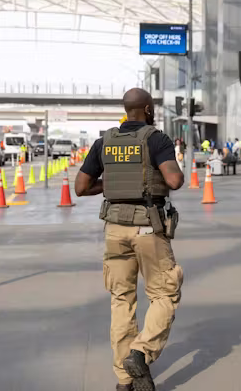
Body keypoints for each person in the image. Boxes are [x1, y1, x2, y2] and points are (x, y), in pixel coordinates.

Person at [75, 88, 185, 391]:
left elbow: (80, 187)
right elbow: (174, 179)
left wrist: (112, 183)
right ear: (148, 109)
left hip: (114, 229)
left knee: (121, 300)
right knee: (165, 294)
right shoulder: (156, 139)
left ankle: (125, 380)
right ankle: (141, 352)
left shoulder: (105, 141)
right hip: (147, 227)